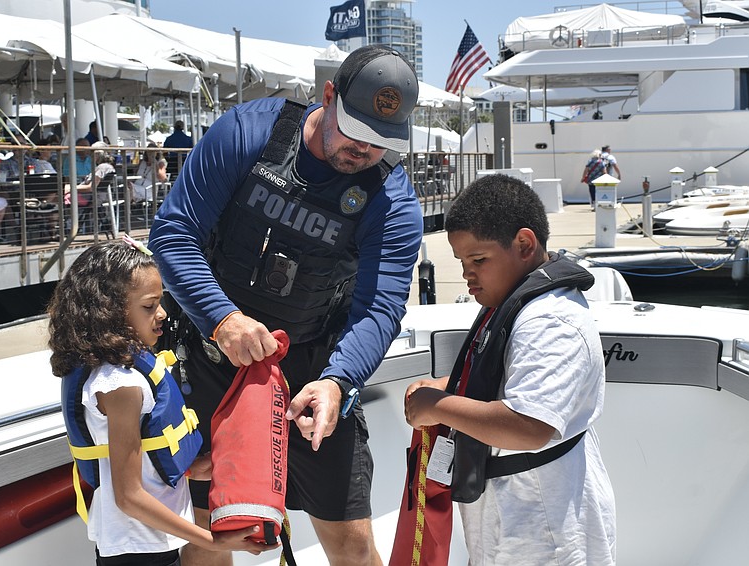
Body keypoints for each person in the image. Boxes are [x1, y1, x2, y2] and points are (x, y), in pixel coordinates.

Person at [148, 44, 423, 565]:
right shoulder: (246, 133)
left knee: (351, 536)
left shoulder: (392, 201)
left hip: (313, 373)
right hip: (212, 361)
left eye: (381, 141)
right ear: (328, 97)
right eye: (356, 131)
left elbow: (380, 307)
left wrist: (339, 380)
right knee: (208, 527)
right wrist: (222, 319)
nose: (365, 150)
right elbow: (173, 233)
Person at [403, 174, 616, 565]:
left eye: (479, 260)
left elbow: (529, 424)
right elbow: (504, 377)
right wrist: (449, 386)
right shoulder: (512, 302)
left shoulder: (552, 321)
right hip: (508, 514)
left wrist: (438, 406)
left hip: (545, 525)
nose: (468, 274)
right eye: (462, 262)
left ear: (524, 244)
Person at [47, 238, 272, 566]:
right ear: (110, 311)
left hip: (147, 545)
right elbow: (128, 497)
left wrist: (190, 470)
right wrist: (213, 539)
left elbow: (137, 463)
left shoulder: (120, 370)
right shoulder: (120, 385)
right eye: (149, 306)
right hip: (137, 549)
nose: (163, 314)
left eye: (161, 302)